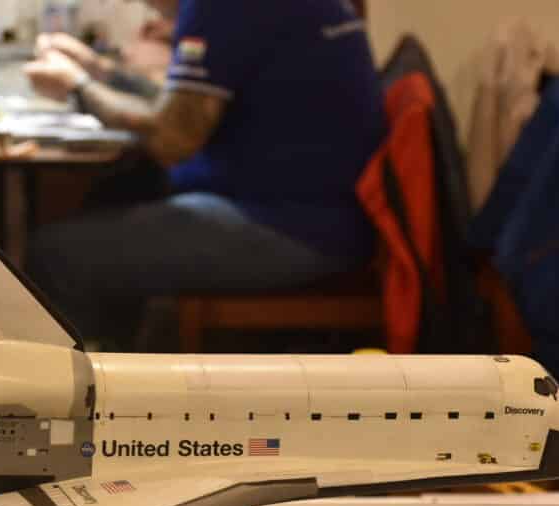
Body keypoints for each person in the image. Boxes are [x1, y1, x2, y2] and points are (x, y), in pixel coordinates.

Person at [24, 0, 384, 348]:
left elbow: (173, 139)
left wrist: (78, 87)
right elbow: (180, 106)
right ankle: (122, 361)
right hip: (318, 211)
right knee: (111, 194)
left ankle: (96, 383)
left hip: (297, 228)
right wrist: (95, 69)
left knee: (58, 256)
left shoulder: (222, 5)